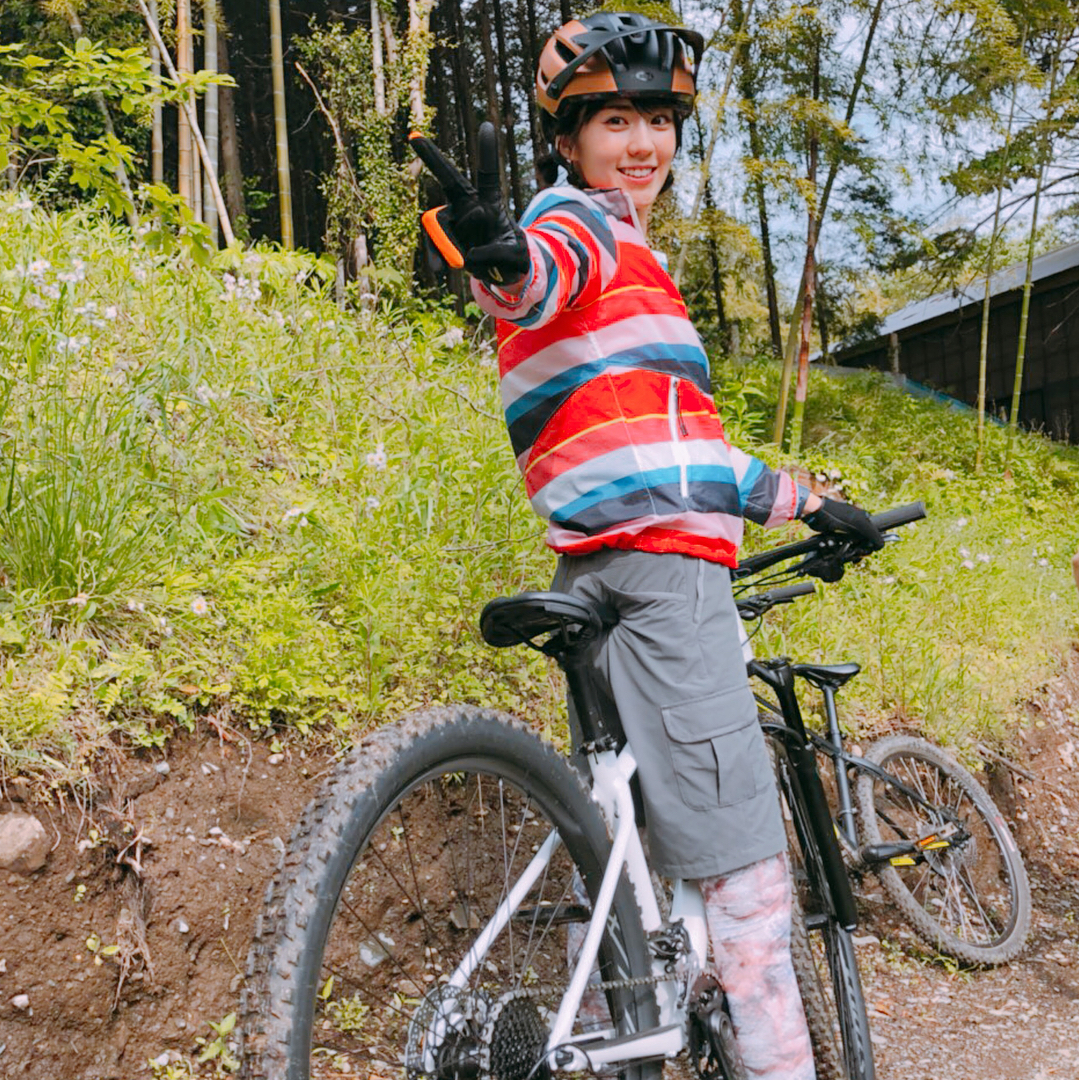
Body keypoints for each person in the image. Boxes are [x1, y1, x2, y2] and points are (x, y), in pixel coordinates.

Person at [412, 13, 883, 1079]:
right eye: (614, 120)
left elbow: (682, 453)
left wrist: (806, 501)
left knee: (623, 845)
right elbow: (533, 274)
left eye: (659, 121)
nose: (642, 143)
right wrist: (501, 257)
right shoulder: (580, 225)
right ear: (568, 140)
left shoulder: (637, 268)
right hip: (664, 578)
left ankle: (619, 1025)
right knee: (748, 888)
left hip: (599, 565)